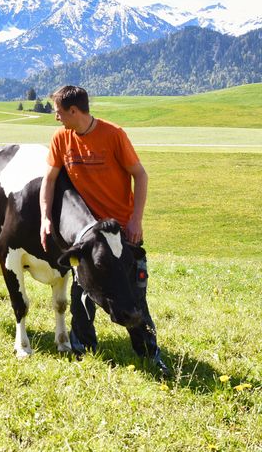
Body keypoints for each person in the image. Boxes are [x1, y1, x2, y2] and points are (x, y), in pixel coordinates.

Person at [39, 85, 168, 375]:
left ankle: (149, 352)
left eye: (59, 112)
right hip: (88, 233)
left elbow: (140, 175)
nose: (56, 117)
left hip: (121, 231)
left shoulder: (113, 135)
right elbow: (49, 180)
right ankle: (83, 348)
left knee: (133, 291)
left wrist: (136, 219)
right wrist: (46, 218)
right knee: (82, 288)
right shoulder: (61, 139)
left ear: (74, 111)